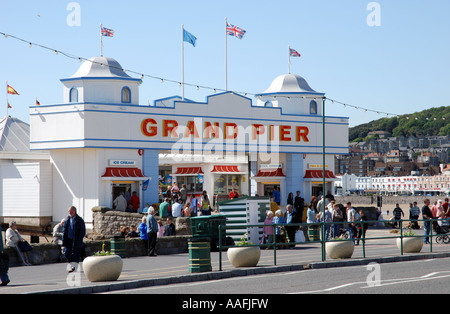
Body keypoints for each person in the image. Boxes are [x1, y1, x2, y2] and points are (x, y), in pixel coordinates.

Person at [62, 206, 86, 273]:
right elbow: (64, 231)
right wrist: (63, 241)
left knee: (76, 254)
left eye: (71, 211)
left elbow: (82, 231)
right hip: (68, 240)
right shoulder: (67, 219)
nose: (70, 213)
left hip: (76, 240)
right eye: (69, 211)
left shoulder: (79, 220)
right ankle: (71, 264)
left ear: (74, 211)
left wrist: (79, 239)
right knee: (67, 253)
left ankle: (73, 266)